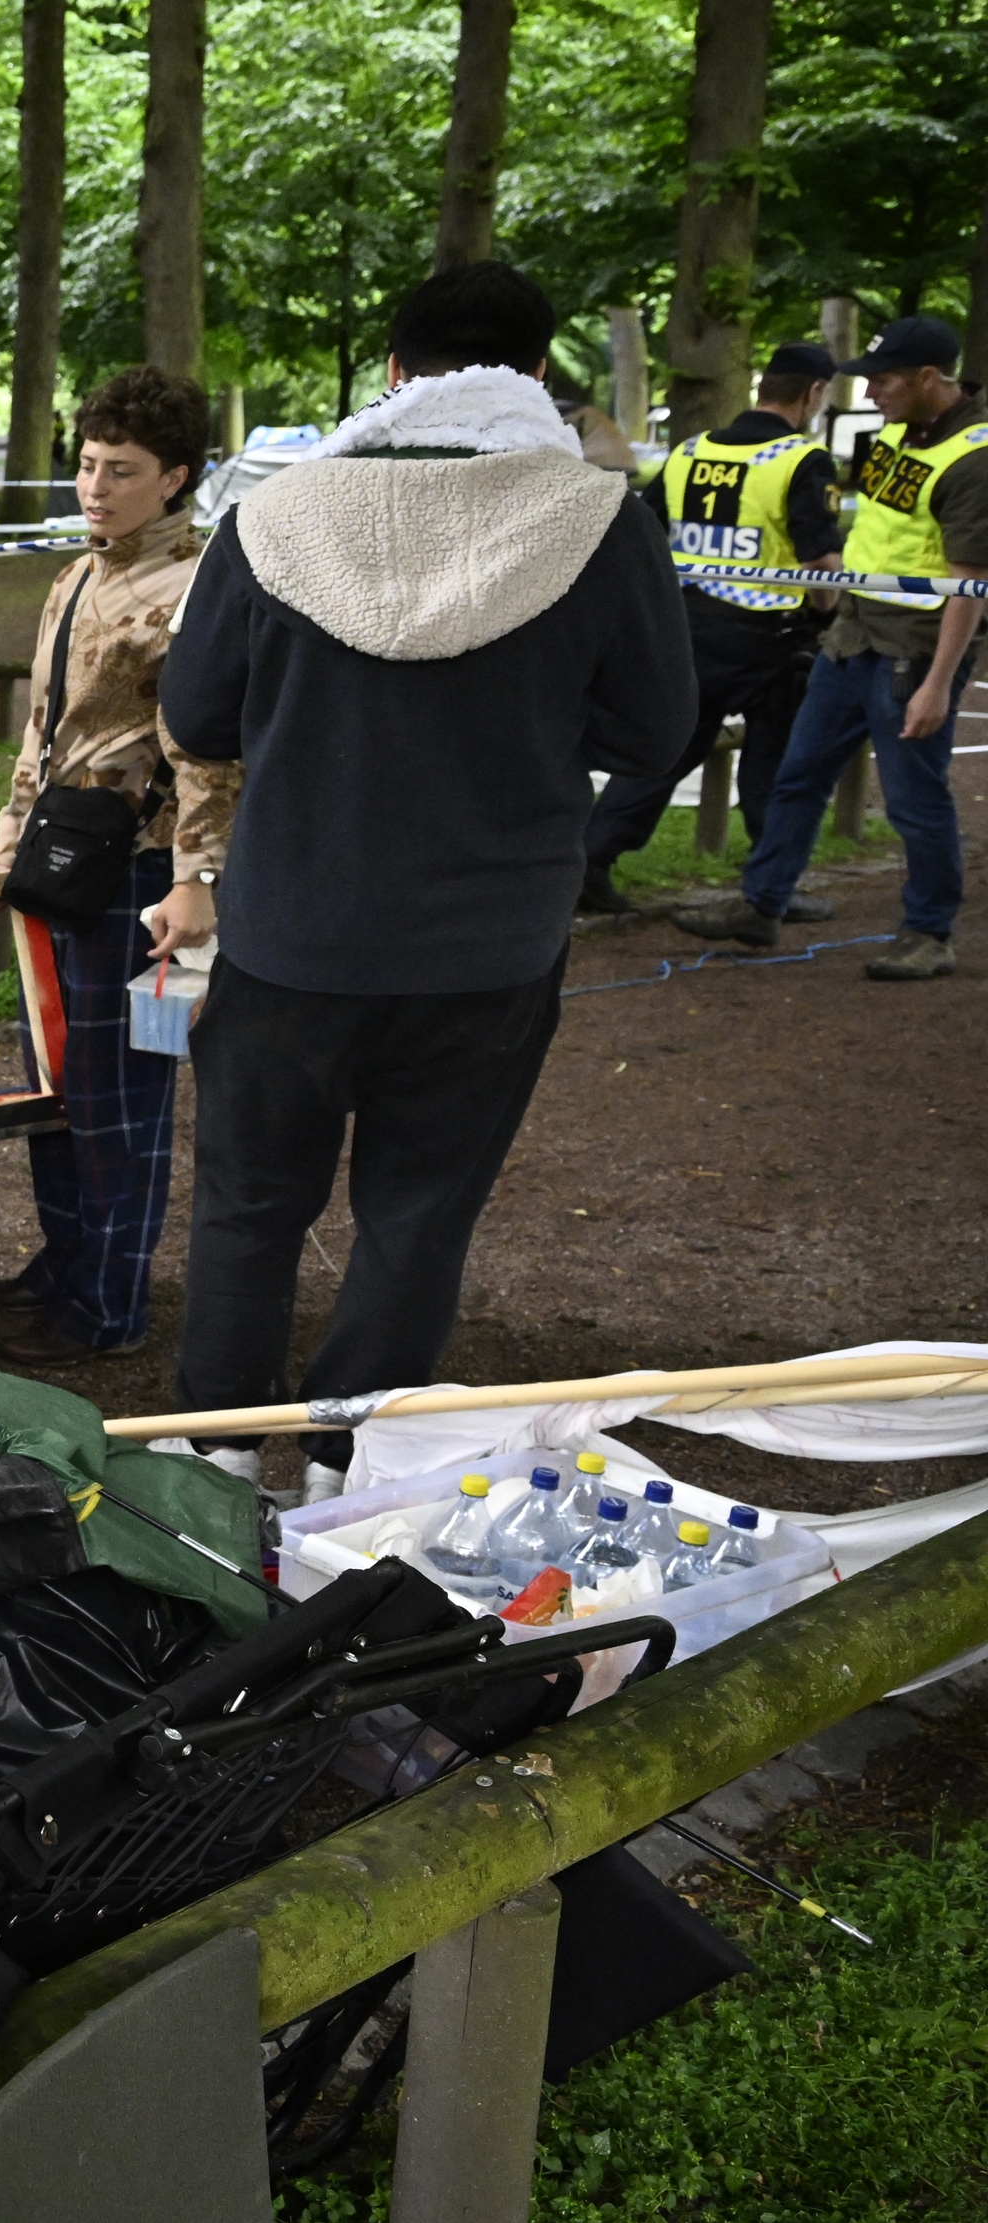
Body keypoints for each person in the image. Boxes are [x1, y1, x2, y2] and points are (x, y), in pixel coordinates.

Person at [158, 261, 691, 1495]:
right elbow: (655, 735)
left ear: (393, 372)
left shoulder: (280, 514)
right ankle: (365, 1463)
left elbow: (196, 710)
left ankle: (220, 1455)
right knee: (419, 1212)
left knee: (249, 1202)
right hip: (487, 946)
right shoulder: (600, 518)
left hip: (293, 930)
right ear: (539, 375)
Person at [0, 366, 235, 1368]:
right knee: (55, 1081)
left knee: (125, 1095)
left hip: (150, 882)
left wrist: (195, 883)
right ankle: (71, 1259)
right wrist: (6, 845)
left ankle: (112, 1304)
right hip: (60, 866)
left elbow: (211, 752)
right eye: (86, 465)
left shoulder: (202, 587)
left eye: (120, 471)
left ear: (174, 477)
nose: (95, 487)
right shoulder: (78, 572)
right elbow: (41, 727)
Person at [673, 315, 988, 979]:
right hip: (851, 636)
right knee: (798, 775)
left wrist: (938, 683)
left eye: (884, 380)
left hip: (913, 648)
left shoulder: (975, 458)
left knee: (913, 798)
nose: (870, 393)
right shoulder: (900, 431)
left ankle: (930, 933)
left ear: (931, 378)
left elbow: (971, 584)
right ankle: (763, 904)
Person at [581, 341, 842, 915]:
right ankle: (769, 890)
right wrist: (826, 616)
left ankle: (591, 862)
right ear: (813, 393)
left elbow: (646, 531)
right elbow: (820, 563)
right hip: (771, 638)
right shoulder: (802, 460)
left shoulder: (691, 450)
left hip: (689, 628)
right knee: (773, 763)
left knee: (666, 751)